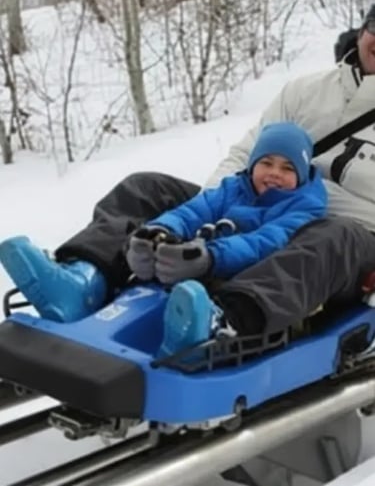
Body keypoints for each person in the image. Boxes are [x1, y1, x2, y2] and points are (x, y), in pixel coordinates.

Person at [2, 5, 375, 339]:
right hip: (256, 201)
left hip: (348, 242)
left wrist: (304, 203)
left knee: (335, 235)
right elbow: (246, 155)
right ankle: (85, 278)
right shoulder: (305, 92)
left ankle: (221, 322)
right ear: (362, 31)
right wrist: (206, 218)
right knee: (146, 188)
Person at [125, 122, 327, 356]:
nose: (274, 173)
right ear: (252, 165)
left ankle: (201, 335)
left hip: (252, 282)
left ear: (301, 176)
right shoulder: (233, 188)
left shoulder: (305, 208)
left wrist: (211, 256)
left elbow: (266, 242)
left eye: (287, 168)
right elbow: (192, 212)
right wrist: (158, 232)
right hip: (206, 268)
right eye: (266, 163)